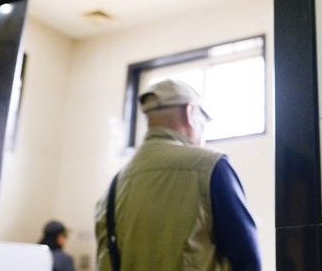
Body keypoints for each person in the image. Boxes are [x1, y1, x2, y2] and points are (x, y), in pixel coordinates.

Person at [95, 79, 261, 271]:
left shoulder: (113, 188)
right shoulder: (211, 167)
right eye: (203, 121)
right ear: (191, 113)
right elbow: (247, 259)